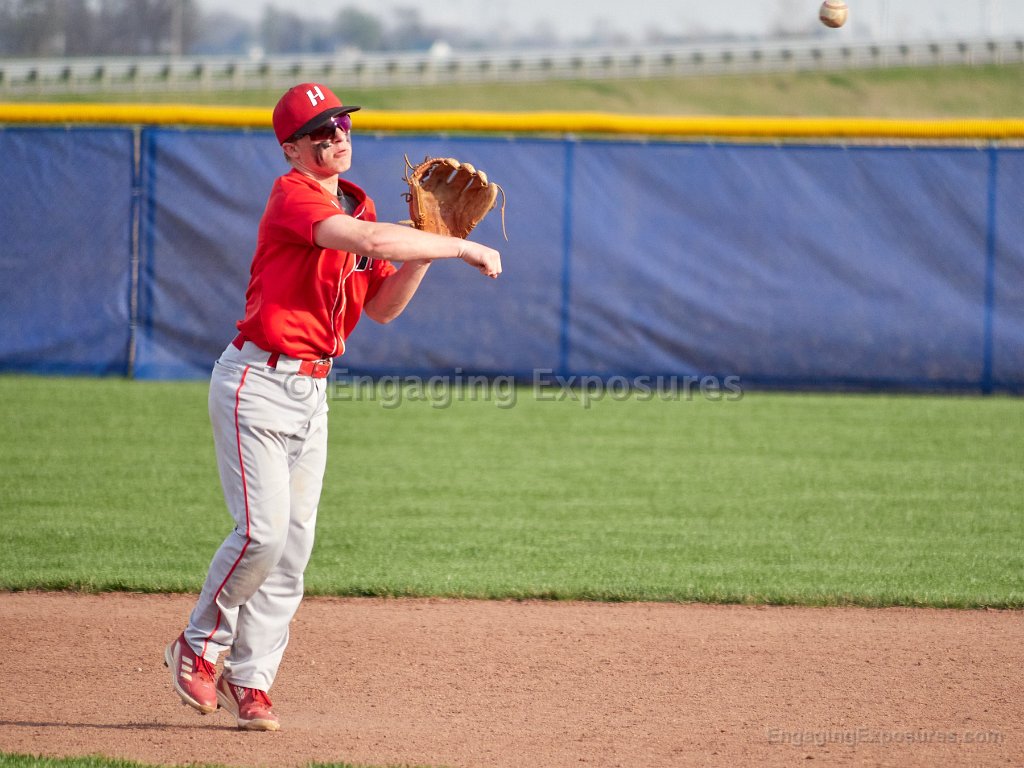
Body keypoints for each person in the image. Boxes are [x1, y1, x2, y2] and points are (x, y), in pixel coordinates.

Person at [164, 82, 501, 732]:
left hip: (312, 392)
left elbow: (382, 308)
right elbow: (370, 243)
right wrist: (459, 247)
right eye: (320, 131)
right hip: (256, 382)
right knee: (261, 535)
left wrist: (430, 246)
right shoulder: (293, 196)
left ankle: (251, 680)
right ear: (292, 149)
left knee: (292, 551)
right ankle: (198, 645)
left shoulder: (360, 203)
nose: (337, 136)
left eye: (341, 124)